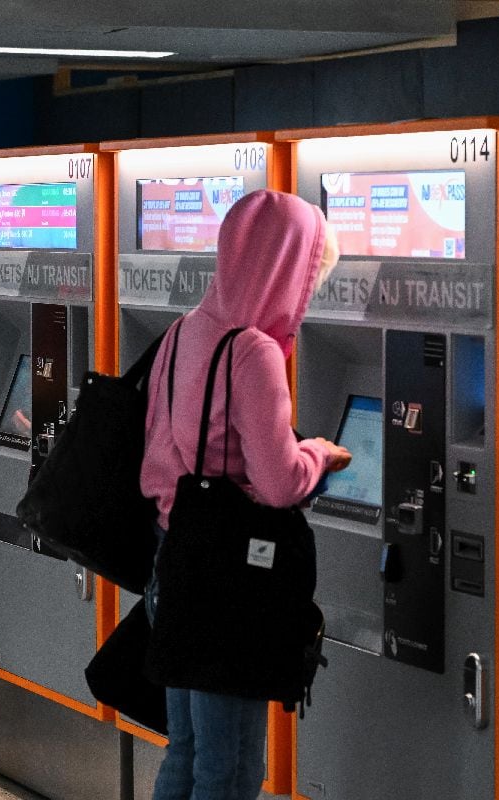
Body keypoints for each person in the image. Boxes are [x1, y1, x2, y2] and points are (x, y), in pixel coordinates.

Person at [141, 189, 352, 800]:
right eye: (310, 279)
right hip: (227, 580)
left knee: (186, 751)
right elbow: (281, 483)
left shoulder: (185, 331)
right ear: (285, 270)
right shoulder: (254, 351)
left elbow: (158, 463)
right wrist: (322, 453)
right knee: (230, 768)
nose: (307, 297)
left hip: (174, 561)